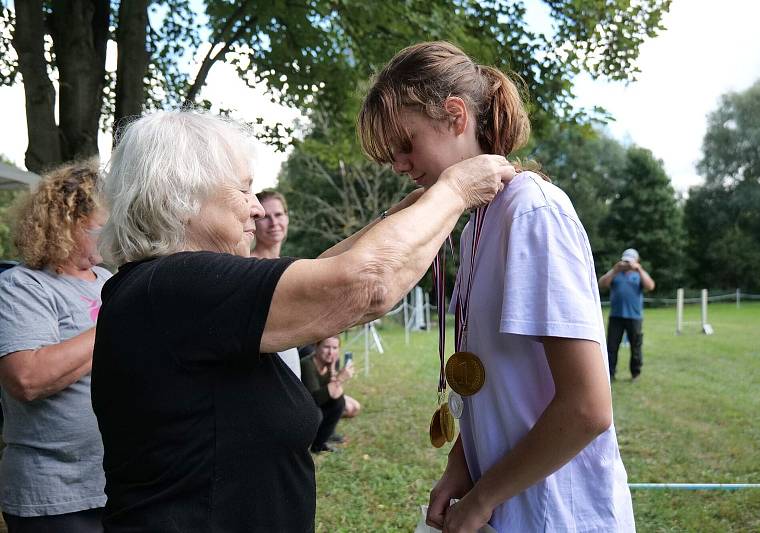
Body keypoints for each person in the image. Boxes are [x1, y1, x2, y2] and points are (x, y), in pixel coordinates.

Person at [90, 109, 513, 532]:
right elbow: (364, 287)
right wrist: (455, 191)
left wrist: (411, 209)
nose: (257, 208)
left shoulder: (161, 289)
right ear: (182, 197)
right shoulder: (174, 286)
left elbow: (317, 272)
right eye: (243, 189)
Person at [358, 41, 634, 532]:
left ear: (456, 116)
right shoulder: (478, 224)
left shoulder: (533, 212)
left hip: (556, 515)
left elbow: (587, 407)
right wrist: (461, 465)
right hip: (507, 508)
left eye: (406, 143)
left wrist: (483, 497)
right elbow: (500, 380)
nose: (399, 164)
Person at [0, 160, 109, 533]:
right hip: (53, 495)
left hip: (116, 484)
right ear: (69, 221)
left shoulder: (108, 279)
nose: (110, 235)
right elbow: (26, 378)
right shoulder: (24, 286)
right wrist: (116, 323)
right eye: (102, 225)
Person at [252, 189, 301, 378]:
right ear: (254, 221)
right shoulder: (245, 265)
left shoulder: (291, 266)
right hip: (260, 365)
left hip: (289, 356)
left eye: (279, 214)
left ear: (287, 218)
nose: (274, 223)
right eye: (265, 217)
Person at [598, 248, 656, 381]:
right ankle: (610, 374)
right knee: (612, 347)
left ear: (637, 261)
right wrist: (615, 269)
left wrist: (639, 269)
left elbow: (650, 286)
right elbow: (602, 284)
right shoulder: (616, 273)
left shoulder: (639, 275)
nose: (627, 264)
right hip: (616, 316)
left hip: (634, 317)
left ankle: (635, 373)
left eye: (630, 261)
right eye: (625, 261)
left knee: (636, 347)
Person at [300, 336, 360, 453]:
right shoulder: (307, 364)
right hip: (305, 406)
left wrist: (333, 372)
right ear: (316, 347)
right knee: (318, 413)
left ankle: (320, 444)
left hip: (319, 401)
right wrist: (339, 379)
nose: (330, 352)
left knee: (339, 403)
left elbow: (337, 395)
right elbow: (316, 398)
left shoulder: (333, 361)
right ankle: (304, 446)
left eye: (335, 348)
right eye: (326, 347)